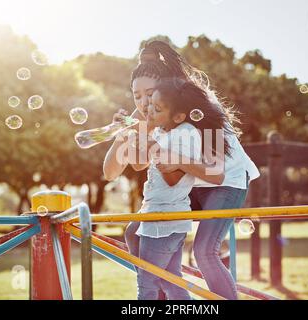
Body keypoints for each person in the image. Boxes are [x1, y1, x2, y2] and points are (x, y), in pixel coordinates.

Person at [103, 40, 260, 300]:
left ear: (166, 89)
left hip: (225, 181)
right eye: (136, 96)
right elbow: (136, 164)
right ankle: (164, 293)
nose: (143, 104)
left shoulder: (203, 110)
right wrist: (123, 134)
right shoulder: (155, 109)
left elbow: (214, 172)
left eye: (149, 94)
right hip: (191, 184)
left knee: (205, 251)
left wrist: (173, 158)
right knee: (134, 232)